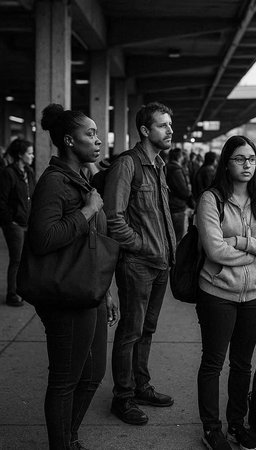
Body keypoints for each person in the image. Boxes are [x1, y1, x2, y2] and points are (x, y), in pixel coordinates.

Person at [29, 104, 119, 449]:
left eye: (97, 134)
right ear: (69, 140)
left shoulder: (80, 179)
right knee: (65, 379)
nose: (98, 141)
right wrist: (88, 210)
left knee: (93, 373)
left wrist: (105, 289)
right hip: (64, 295)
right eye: (90, 134)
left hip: (87, 289)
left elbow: (91, 243)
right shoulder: (54, 182)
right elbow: (43, 238)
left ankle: (69, 436)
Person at [196, 135, 256, 450]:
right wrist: (255, 252)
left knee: (242, 364)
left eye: (252, 159)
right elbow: (215, 250)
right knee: (213, 362)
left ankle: (236, 425)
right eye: (239, 159)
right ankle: (211, 428)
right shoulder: (211, 199)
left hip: (255, 295)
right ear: (226, 162)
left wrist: (241, 243)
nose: (247, 165)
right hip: (218, 293)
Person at [103, 102, 177, 425]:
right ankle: (123, 397)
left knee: (147, 329)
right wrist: (143, 247)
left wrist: (166, 251)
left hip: (160, 265)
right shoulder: (128, 165)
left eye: (170, 124)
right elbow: (113, 219)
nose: (170, 130)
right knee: (130, 331)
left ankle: (141, 385)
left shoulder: (159, 165)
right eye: (163, 125)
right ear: (146, 131)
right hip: (138, 265)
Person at [0, 138, 36, 306]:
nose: (32, 156)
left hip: (27, 222)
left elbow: (33, 196)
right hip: (14, 224)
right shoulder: (8, 173)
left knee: (25, 258)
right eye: (29, 153)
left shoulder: (29, 172)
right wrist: (10, 220)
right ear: (21, 155)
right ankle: (12, 294)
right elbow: (1, 201)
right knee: (17, 259)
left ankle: (22, 290)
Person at [166, 147, 194, 243]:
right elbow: (184, 192)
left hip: (170, 206)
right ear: (179, 157)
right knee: (178, 239)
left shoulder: (166, 167)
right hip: (177, 207)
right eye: (183, 156)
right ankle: (176, 257)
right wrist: (188, 191)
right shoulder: (176, 170)